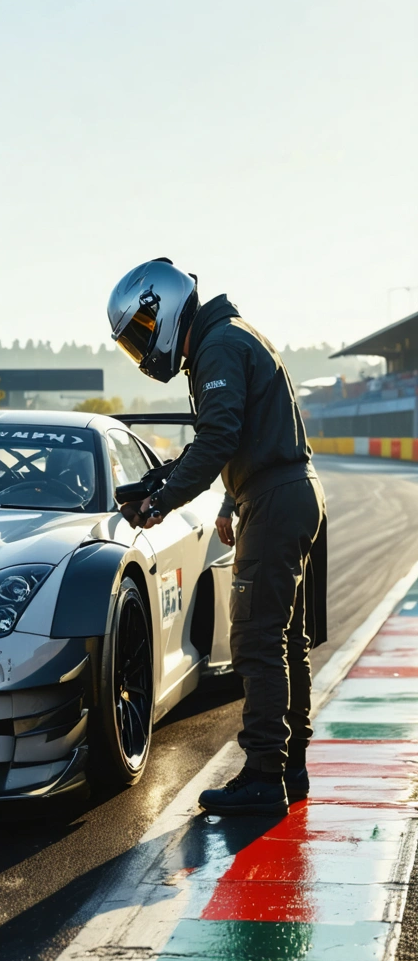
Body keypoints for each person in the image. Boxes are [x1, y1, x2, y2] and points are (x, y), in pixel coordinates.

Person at [108, 258, 326, 817]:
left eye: (140, 332)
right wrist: (220, 496)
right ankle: (290, 765)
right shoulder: (229, 335)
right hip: (286, 491)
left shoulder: (218, 346)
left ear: (164, 307)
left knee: (255, 638)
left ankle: (262, 775)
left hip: (276, 499)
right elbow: (245, 430)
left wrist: (159, 502)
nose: (142, 348)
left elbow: (218, 438)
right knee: (283, 640)